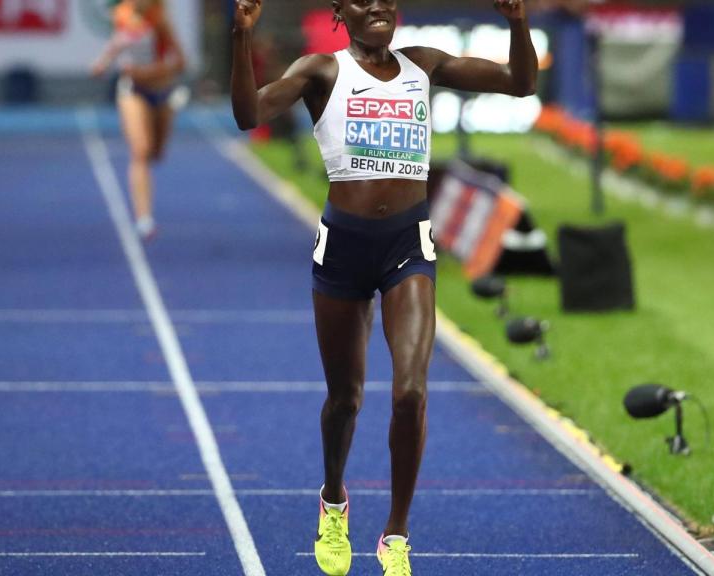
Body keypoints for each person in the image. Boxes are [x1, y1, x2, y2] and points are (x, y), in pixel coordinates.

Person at [229, 0, 537, 574]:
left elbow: (520, 83)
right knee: (345, 400)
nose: (378, 6)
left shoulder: (424, 66)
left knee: (410, 393)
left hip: (407, 245)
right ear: (341, 13)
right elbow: (250, 115)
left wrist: (517, 21)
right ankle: (334, 498)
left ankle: (396, 534)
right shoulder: (321, 72)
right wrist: (240, 39)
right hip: (344, 249)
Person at [91, 0, 185, 240]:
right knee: (140, 151)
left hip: (161, 91)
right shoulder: (121, 15)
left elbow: (180, 62)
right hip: (133, 91)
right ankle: (144, 219)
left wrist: (153, 72)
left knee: (156, 152)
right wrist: (103, 62)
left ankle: (171, 109)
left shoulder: (160, 20)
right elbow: (118, 42)